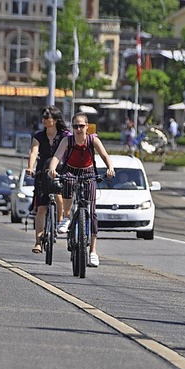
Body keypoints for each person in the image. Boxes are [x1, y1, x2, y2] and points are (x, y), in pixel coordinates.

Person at [48, 112, 115, 267]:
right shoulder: (68, 140)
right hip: (71, 170)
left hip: (88, 172)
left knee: (91, 212)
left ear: (87, 127)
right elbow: (57, 157)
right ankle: (66, 216)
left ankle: (92, 251)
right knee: (68, 183)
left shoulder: (93, 140)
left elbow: (105, 155)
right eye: (75, 126)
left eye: (81, 126)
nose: (79, 129)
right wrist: (52, 169)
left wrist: (110, 168)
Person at [25, 106, 71, 254]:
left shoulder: (65, 135)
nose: (44, 120)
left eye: (47, 117)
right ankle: (38, 242)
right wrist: (30, 167)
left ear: (55, 120)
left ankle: (59, 223)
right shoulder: (39, 136)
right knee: (41, 208)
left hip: (60, 171)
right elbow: (33, 152)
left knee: (59, 195)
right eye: (43, 117)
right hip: (43, 173)